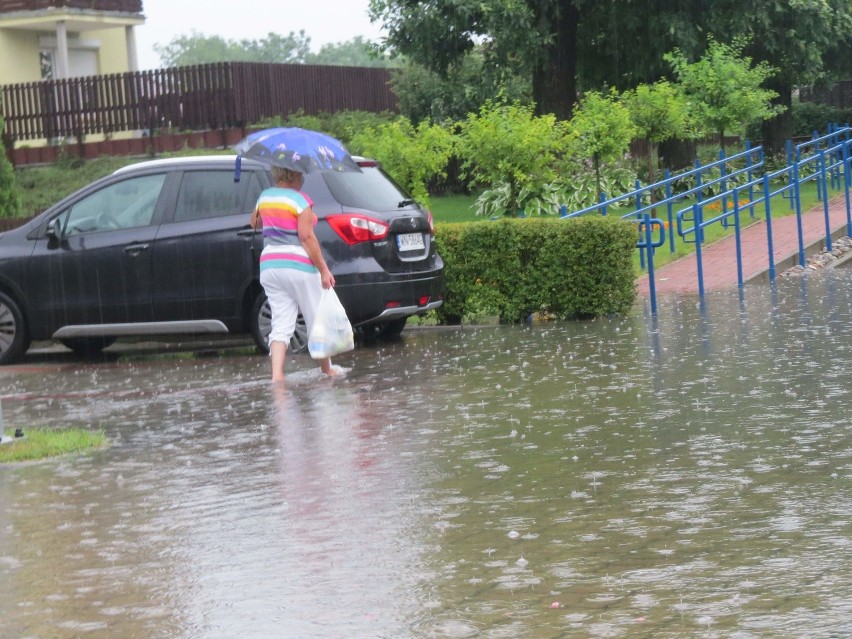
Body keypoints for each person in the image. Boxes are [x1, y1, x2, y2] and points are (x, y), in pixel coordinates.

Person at [251, 163, 336, 381]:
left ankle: (277, 375)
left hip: (270, 264)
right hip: (297, 264)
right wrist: (324, 270)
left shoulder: (265, 197)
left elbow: (254, 222)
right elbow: (306, 237)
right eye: (301, 173)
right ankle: (327, 369)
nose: (303, 177)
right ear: (294, 175)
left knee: (281, 321)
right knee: (315, 316)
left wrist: (274, 219)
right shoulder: (300, 200)